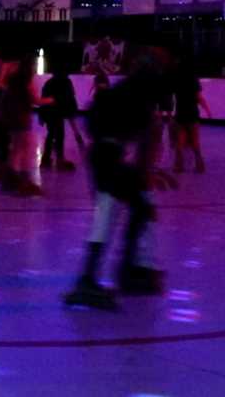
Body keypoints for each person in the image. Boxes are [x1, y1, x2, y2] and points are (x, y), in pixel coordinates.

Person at [64, 51, 168, 310]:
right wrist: (146, 170)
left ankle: (112, 273)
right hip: (109, 158)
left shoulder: (120, 91)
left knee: (118, 212)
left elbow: (94, 122)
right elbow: (145, 139)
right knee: (121, 211)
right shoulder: (141, 96)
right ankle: (108, 275)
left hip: (103, 156)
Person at [0, 57, 52, 196]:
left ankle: (9, 181)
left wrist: (6, 67)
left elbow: (0, 83)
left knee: (15, 150)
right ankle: (22, 181)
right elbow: (36, 101)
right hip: (22, 119)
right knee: (23, 150)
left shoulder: (12, 82)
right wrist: (52, 100)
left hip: (10, 118)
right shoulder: (27, 83)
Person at [173, 59, 211, 173]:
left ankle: (178, 166)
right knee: (195, 141)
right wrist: (207, 110)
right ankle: (200, 165)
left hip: (180, 113)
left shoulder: (176, 80)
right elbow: (199, 98)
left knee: (179, 141)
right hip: (192, 114)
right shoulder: (193, 80)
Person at [40, 66, 78, 170]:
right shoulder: (66, 82)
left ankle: (46, 159)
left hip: (49, 112)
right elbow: (70, 97)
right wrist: (72, 111)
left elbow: (43, 98)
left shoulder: (49, 83)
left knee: (51, 134)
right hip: (57, 112)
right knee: (59, 135)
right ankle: (59, 160)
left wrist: (41, 115)